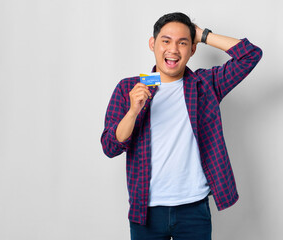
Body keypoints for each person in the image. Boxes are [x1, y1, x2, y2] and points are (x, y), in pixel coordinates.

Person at [101, 12, 262, 240]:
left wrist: (201, 34)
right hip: (145, 210)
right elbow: (110, 147)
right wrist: (133, 111)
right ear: (152, 44)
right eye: (166, 41)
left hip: (193, 208)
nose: (173, 49)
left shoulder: (205, 85)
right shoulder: (130, 88)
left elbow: (251, 55)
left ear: (193, 49)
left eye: (182, 43)